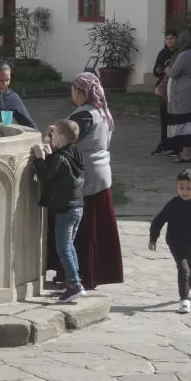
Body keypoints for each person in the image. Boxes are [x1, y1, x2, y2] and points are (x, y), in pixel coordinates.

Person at [47, 72, 124, 290]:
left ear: (80, 92)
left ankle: (81, 275)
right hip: (100, 174)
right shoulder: (102, 112)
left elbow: (67, 140)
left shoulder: (85, 115)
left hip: (85, 177)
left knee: (82, 230)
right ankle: (89, 273)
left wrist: (53, 135)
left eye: (73, 90)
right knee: (95, 226)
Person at [33, 119, 86, 303]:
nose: (51, 136)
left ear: (61, 138)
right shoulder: (75, 152)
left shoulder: (58, 158)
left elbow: (45, 177)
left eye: (53, 134)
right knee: (69, 246)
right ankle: (74, 281)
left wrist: (40, 158)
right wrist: (51, 153)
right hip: (78, 206)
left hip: (65, 209)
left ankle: (74, 285)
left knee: (63, 248)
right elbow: (62, 172)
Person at [149, 169, 191, 314]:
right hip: (175, 241)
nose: (184, 192)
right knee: (184, 269)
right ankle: (184, 299)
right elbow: (158, 221)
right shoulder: (173, 204)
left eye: (189, 188)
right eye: (181, 188)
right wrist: (153, 238)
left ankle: (189, 288)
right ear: (176, 186)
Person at [166, 32, 191, 163]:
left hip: (183, 93)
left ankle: (185, 154)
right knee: (190, 123)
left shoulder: (183, 55)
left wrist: (167, 69)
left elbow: (173, 73)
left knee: (181, 123)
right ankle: (187, 153)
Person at [152, 29, 179, 156]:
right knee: (164, 116)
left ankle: (175, 143)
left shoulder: (180, 53)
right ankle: (164, 142)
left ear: (176, 39)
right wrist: (161, 69)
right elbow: (156, 70)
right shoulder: (163, 53)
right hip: (163, 87)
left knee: (174, 117)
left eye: (171, 38)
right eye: (167, 39)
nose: (169, 41)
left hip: (175, 87)